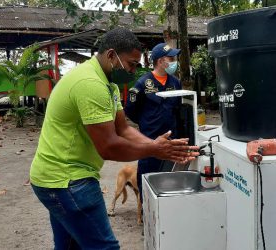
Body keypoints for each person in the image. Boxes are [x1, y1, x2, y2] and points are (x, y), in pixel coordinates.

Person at [29, 28, 198, 250]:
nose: (133, 70)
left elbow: (123, 129)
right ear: (111, 55)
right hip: (66, 181)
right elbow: (108, 147)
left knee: (69, 246)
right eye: (131, 63)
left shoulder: (108, 84)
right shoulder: (91, 84)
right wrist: (154, 150)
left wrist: (158, 145)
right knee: (105, 247)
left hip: (53, 178)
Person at [125, 43, 182, 203]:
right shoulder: (142, 83)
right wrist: (146, 123)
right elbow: (130, 109)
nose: (173, 61)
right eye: (170, 58)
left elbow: (178, 108)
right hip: (149, 142)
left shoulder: (175, 82)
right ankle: (147, 217)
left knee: (171, 183)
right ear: (159, 61)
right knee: (148, 183)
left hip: (172, 142)